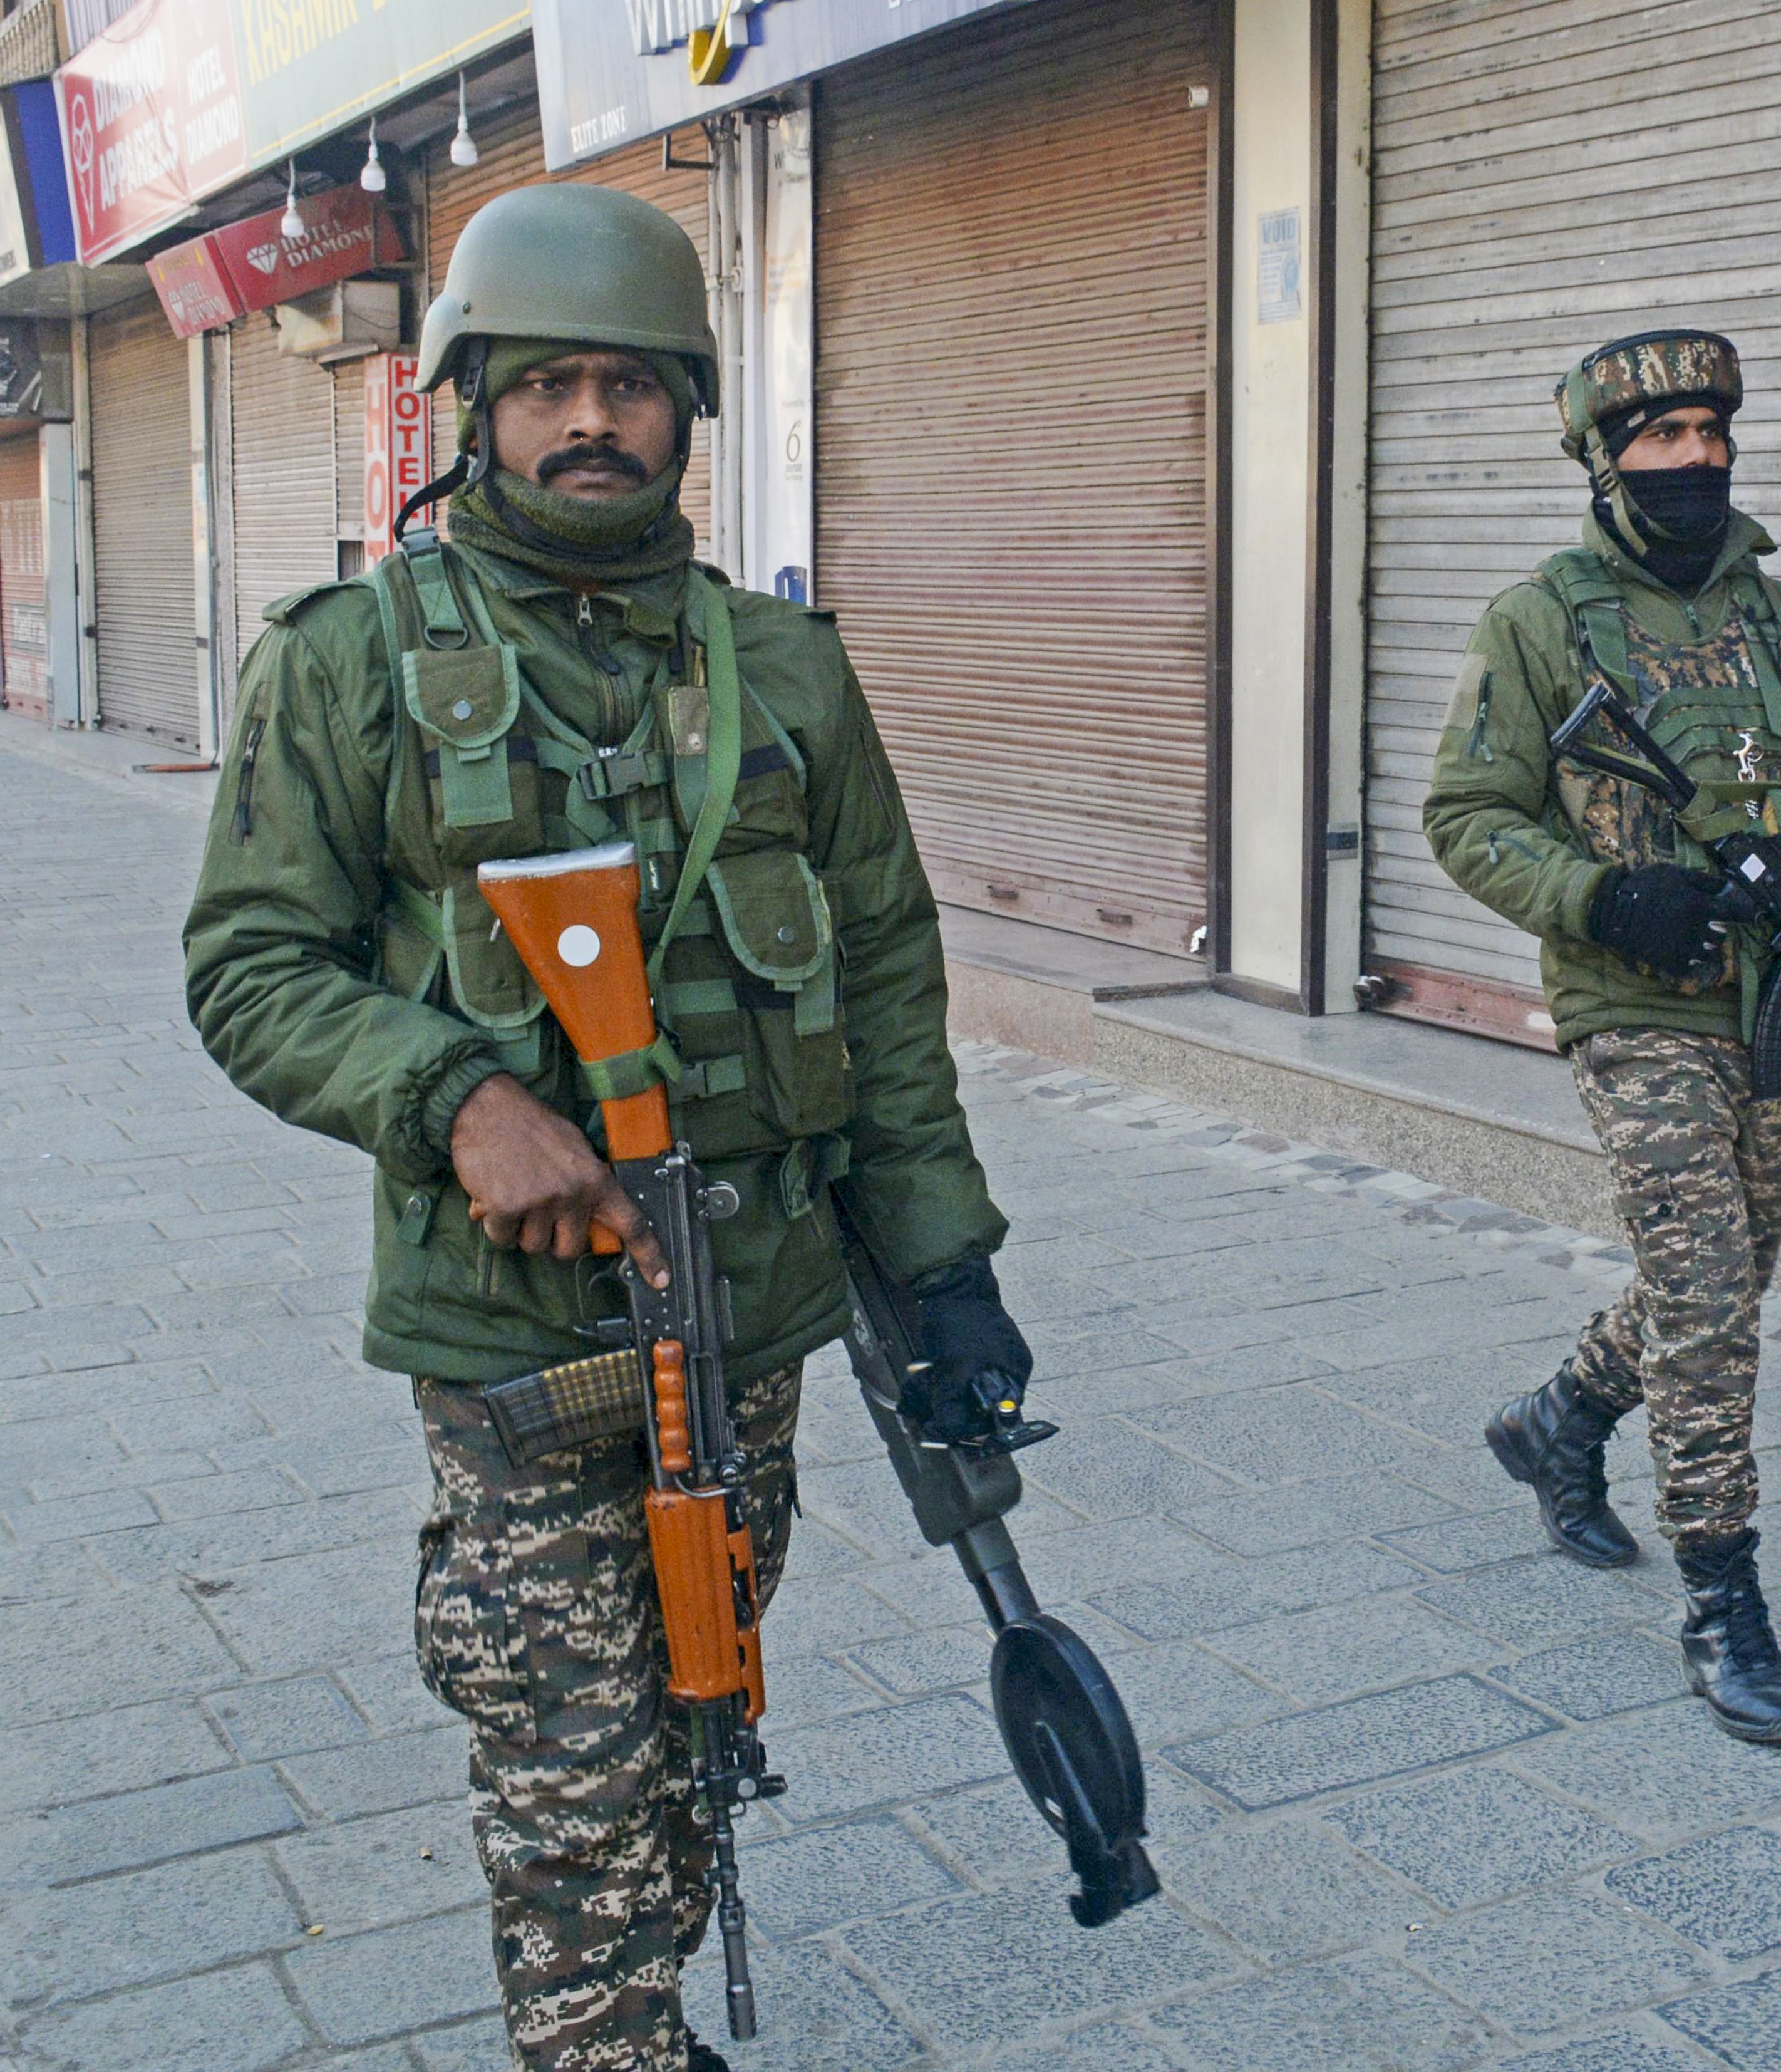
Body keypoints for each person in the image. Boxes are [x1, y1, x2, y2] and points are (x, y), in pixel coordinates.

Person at [183, 185, 1030, 2072]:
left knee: (697, 1707)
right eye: (547, 383)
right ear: (473, 406)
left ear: (688, 412)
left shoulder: (783, 667)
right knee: (570, 1755)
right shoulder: (348, 659)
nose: (592, 422)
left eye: (631, 386)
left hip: (753, 1299)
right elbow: (247, 965)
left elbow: (886, 977)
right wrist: (455, 1093)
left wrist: (946, 1263)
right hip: (511, 1329)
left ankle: (638, 2017)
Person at [1423, 329, 1781, 1742]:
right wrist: (1603, 895)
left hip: (1767, 1000)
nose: (1695, 459)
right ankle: (1724, 1595)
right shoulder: (1540, 619)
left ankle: (1560, 1419)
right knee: (1703, 1289)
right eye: (1660, 438)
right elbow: (1466, 815)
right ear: (1602, 458)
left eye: (1710, 432)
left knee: (1733, 1268)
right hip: (1635, 1003)